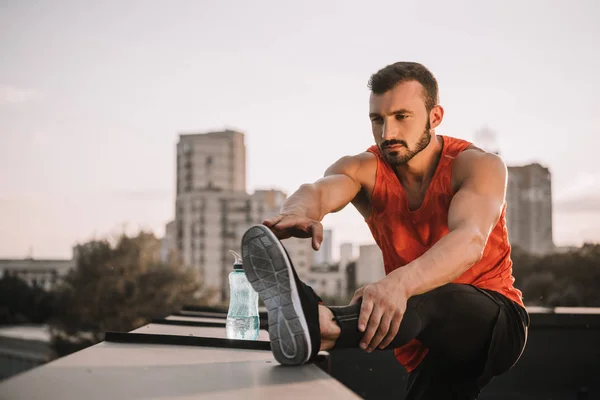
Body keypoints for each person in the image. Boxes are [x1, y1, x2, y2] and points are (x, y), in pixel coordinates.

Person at [240, 61, 529, 400]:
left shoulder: (478, 165)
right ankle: (313, 326)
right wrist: (297, 211)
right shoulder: (365, 168)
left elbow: (470, 241)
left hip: (495, 321)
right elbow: (320, 189)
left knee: (429, 297)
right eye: (378, 119)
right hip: (421, 338)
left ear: (435, 117)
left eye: (401, 117)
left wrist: (397, 283)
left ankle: (322, 327)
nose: (387, 132)